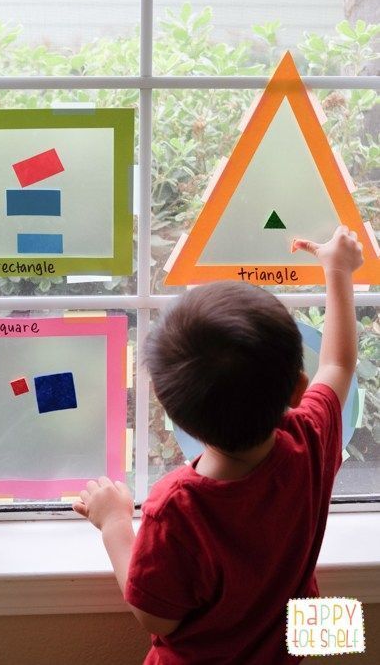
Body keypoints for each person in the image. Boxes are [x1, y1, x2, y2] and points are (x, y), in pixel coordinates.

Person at [73, 225, 363, 664]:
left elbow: (155, 618)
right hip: (288, 653)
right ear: (297, 388)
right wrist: (338, 269)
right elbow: (339, 363)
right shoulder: (311, 439)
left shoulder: (177, 508)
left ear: (172, 409)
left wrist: (114, 522)